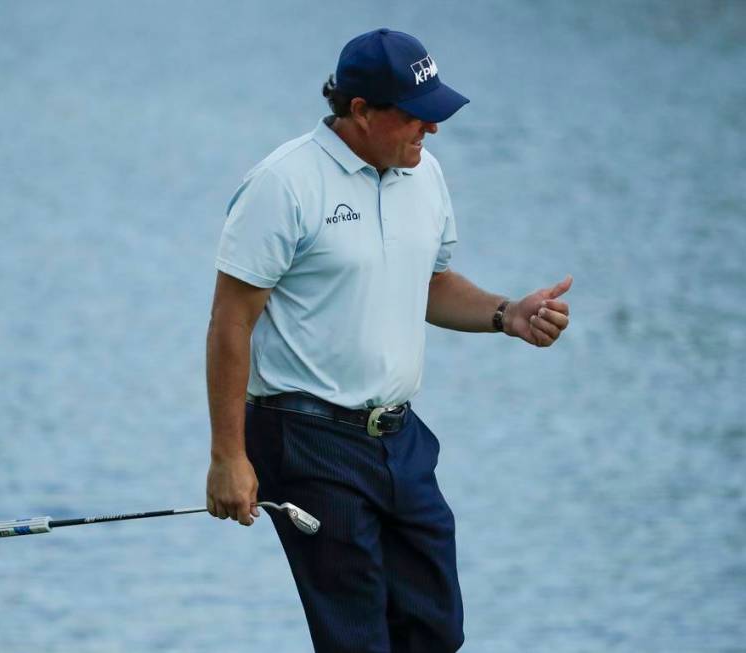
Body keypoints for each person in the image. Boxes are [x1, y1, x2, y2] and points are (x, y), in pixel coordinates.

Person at [205, 28, 571, 653]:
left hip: (400, 441)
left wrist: (506, 313)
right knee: (357, 641)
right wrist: (229, 457)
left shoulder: (424, 175)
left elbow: (428, 283)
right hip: (307, 438)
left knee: (435, 629)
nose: (430, 131)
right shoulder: (285, 184)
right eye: (415, 117)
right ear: (360, 111)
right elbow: (229, 324)